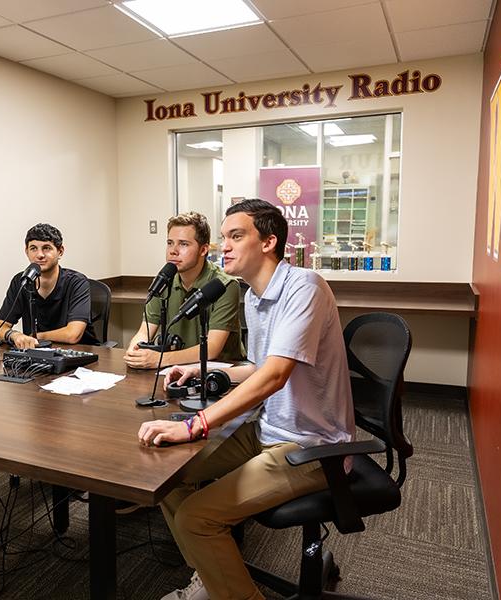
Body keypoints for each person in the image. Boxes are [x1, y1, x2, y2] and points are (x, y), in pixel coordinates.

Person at [137, 199, 354, 600]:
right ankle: (215, 575)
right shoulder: (253, 295)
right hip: (267, 429)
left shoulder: (305, 287)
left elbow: (274, 376)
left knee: (195, 518)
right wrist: (208, 370)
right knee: (164, 477)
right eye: (223, 238)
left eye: (236, 236)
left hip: (311, 446)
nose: (225, 247)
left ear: (270, 242)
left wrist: (196, 424)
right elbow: (257, 366)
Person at [124, 211, 244, 369]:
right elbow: (145, 331)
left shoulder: (225, 285)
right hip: (174, 368)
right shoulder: (163, 280)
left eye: (183, 244)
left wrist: (159, 359)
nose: (173, 250)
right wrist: (135, 353)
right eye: (169, 243)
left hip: (220, 372)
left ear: (203, 250)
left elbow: (212, 348)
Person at [0, 223, 98, 348]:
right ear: (26, 252)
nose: (40, 255)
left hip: (78, 353)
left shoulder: (77, 282)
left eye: (46, 248)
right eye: (33, 248)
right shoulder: (21, 281)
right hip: (37, 354)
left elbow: (72, 335)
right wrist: (15, 335)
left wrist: (36, 337)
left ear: (60, 251)